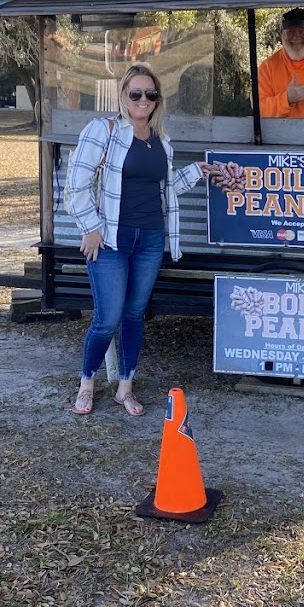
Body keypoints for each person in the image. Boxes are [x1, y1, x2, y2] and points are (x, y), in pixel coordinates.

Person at [68, 63, 241, 417]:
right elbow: (77, 182)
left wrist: (197, 172)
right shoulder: (104, 131)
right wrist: (90, 227)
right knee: (107, 317)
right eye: (135, 93)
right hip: (111, 240)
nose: (143, 100)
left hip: (149, 239)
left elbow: (165, 190)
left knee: (134, 315)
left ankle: (125, 388)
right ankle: (87, 384)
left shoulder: (159, 140)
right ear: (123, 96)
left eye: (150, 94)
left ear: (157, 99)